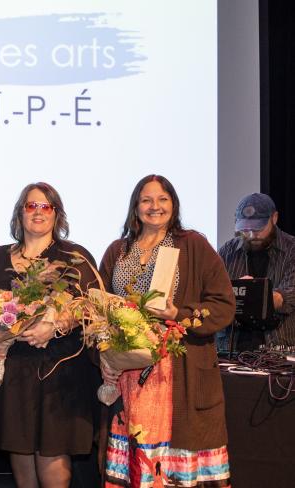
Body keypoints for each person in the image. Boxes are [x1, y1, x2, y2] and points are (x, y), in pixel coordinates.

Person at [99, 175, 235, 487]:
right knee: (136, 470)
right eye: (146, 200)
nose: (154, 206)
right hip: (128, 379)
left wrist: (179, 315)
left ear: (173, 205)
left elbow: (224, 305)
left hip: (179, 377)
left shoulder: (193, 246)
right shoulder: (117, 251)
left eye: (163, 199)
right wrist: (106, 354)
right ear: (136, 207)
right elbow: (100, 309)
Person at [0, 182, 99, 488]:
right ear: (20, 214)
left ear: (57, 215)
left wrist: (56, 325)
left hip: (58, 373)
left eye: (45, 207)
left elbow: (92, 304)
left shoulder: (74, 256)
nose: (37, 212)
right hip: (13, 371)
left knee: (52, 457)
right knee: (20, 450)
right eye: (31, 206)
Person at [216, 193, 295, 349]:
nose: (252, 235)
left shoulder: (292, 250)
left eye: (258, 228)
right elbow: (213, 294)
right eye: (245, 230)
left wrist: (250, 292)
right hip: (233, 349)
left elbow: (286, 297)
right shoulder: (227, 251)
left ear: (274, 218)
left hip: (279, 350)